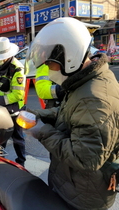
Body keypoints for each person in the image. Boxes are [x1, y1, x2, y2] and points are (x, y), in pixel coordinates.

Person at [25, 17, 119, 210]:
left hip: (83, 194)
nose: (49, 71)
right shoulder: (86, 80)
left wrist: (41, 131)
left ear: (69, 57)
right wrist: (41, 115)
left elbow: (84, 158)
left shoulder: (94, 98)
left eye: (50, 64)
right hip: (73, 183)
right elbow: (72, 112)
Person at [0, 37, 26, 166]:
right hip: (0, 109)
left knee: (17, 138)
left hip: (15, 110)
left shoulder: (17, 69)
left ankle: (21, 163)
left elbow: (18, 94)